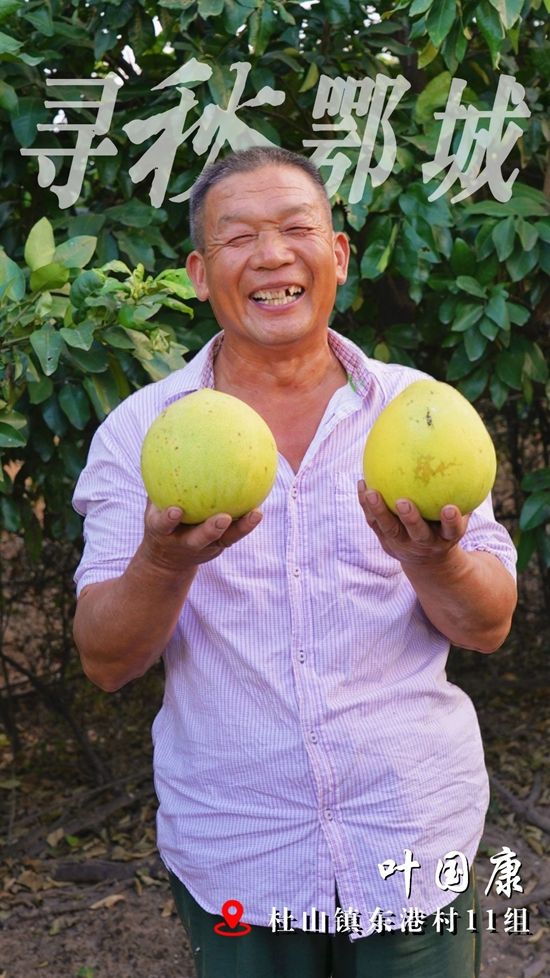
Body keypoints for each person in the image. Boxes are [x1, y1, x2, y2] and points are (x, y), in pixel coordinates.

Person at [72, 146, 517, 978]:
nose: (272, 256)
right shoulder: (142, 434)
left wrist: (437, 562)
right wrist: (163, 564)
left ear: (338, 256)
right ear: (200, 274)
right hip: (241, 852)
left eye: (296, 229)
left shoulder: (420, 415)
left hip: (410, 835)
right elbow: (105, 659)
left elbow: (488, 626)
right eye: (240, 237)